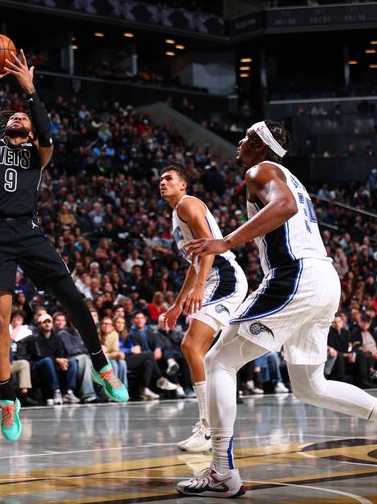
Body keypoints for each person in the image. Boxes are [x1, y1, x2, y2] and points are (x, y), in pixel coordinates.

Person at [178, 121, 377, 497]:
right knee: (310, 386)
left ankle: (221, 470)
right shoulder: (289, 177)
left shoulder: (260, 170)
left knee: (219, 361)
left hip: (295, 275)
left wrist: (227, 241)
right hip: (324, 278)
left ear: (258, 145)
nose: (238, 142)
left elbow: (282, 206)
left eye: (245, 137)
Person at [0, 48, 127, 440]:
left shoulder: (39, 153)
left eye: (25, 116)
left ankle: (101, 364)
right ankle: (7, 399)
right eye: (14, 115)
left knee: (71, 295)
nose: (18, 115)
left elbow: (48, 132)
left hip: (29, 231)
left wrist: (30, 89)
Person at [160, 165, 248, 453]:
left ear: (183, 185)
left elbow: (211, 247)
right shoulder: (176, 213)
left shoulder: (188, 204)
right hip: (212, 277)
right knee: (205, 356)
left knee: (191, 345)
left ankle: (208, 429)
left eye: (169, 179)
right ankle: (213, 428)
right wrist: (177, 303)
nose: (163, 182)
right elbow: (194, 263)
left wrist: (199, 288)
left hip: (224, 277)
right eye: (161, 179)